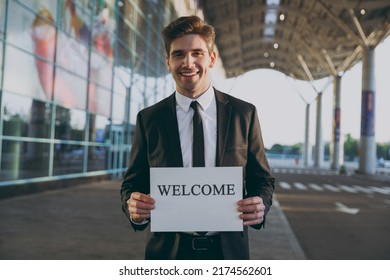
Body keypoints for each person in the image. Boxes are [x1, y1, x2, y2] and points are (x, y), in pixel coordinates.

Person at [120, 15, 275, 260]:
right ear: (168, 62)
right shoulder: (149, 119)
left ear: (211, 58)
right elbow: (132, 184)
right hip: (168, 253)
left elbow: (262, 180)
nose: (188, 62)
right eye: (179, 54)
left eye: (197, 53)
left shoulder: (244, 114)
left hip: (228, 253)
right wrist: (133, 206)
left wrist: (261, 205)